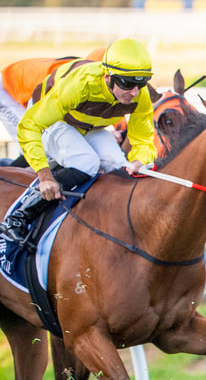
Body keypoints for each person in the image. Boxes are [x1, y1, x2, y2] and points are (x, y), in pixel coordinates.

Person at [0, 38, 156, 244]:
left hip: (86, 123)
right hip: (50, 118)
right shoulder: (80, 84)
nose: (135, 92)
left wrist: (138, 160)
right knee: (86, 161)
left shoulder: (139, 95)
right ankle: (18, 217)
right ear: (108, 76)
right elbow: (29, 125)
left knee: (118, 165)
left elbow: (144, 139)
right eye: (127, 84)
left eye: (140, 83)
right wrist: (44, 175)